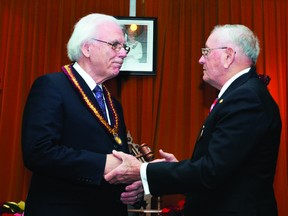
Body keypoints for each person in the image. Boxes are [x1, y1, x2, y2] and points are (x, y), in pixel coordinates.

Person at [104, 24, 282, 216]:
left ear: (228, 56)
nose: (200, 60)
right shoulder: (240, 94)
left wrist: (141, 170)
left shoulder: (246, 99)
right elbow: (223, 169)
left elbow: (211, 172)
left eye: (206, 51)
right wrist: (172, 169)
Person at [21, 13, 143, 216]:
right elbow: (38, 152)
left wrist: (133, 184)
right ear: (87, 48)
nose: (123, 53)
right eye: (115, 45)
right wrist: (101, 164)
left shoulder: (113, 103)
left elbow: (117, 158)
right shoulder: (52, 87)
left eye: (124, 47)